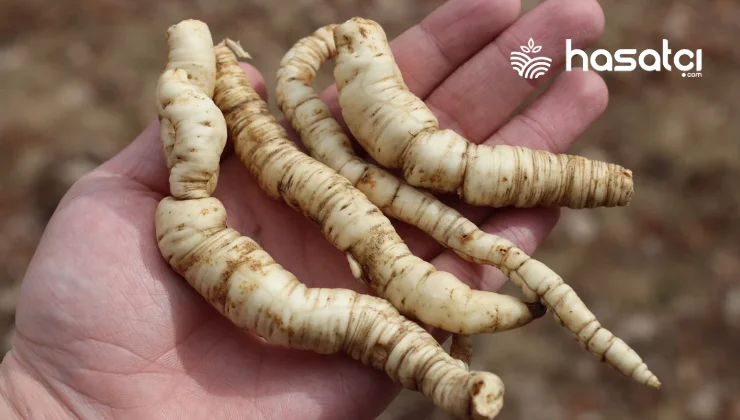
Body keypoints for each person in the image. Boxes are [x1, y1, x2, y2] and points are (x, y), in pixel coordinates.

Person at [0, 0, 608, 418]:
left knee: (399, 243)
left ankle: (455, 372)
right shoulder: (185, 212)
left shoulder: (194, 192)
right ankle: (450, 377)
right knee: (384, 310)